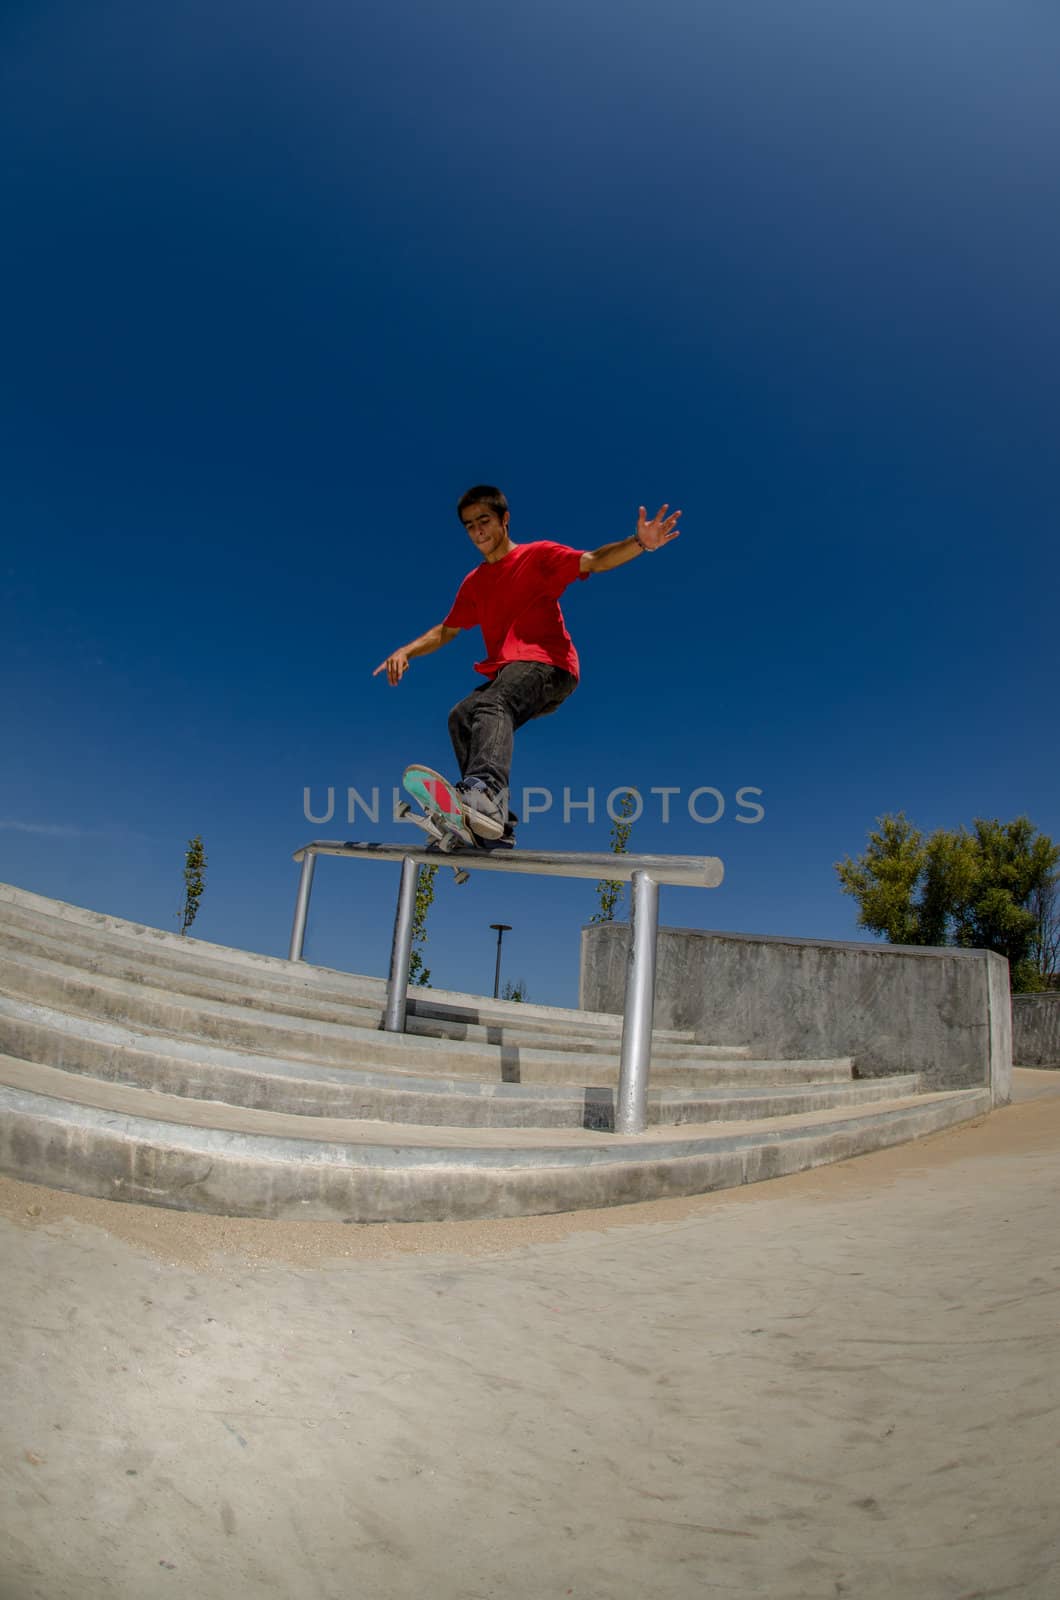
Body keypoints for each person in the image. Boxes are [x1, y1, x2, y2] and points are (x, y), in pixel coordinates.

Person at [373, 484, 681, 845]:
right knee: (462, 716)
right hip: (514, 674)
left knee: (492, 702)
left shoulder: (538, 556)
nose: (478, 532)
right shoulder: (474, 584)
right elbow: (447, 630)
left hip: (550, 666)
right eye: (470, 526)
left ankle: (484, 793)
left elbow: (594, 560)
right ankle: (493, 825)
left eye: (484, 521)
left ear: (504, 520)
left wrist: (640, 543)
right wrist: (406, 651)